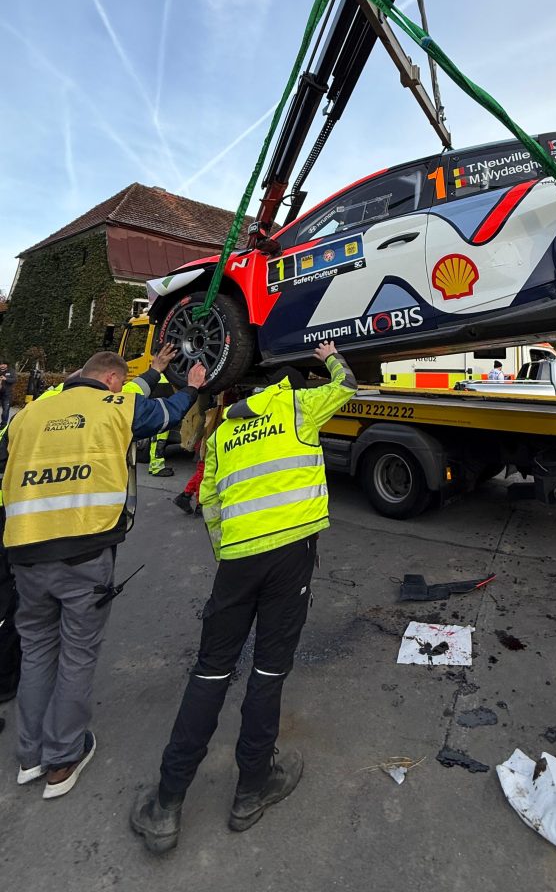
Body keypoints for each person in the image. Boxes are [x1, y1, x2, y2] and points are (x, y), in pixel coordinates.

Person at [130, 341, 357, 854]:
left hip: (236, 561)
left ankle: (167, 804)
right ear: (286, 385)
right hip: (291, 556)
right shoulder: (296, 406)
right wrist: (330, 355)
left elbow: (209, 501)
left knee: (211, 671)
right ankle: (252, 789)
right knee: (268, 673)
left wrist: (229, 553)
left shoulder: (223, 431)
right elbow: (347, 386)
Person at [0, 350, 206, 798]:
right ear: (112, 380)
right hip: (83, 551)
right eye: (122, 382)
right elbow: (168, 412)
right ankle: (63, 759)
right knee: (76, 654)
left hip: (24, 552)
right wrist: (192, 386)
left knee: (36, 652)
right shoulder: (116, 407)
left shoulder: (28, 415)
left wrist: (153, 370)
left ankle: (30, 757)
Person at [0, 360, 17, 429]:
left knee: (5, 410)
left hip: (7, 394)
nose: (2, 365)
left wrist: (6, 378)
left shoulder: (11, 371)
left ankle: (3, 426)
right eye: (1, 364)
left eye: (4, 364)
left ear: (7, 365)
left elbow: (14, 380)